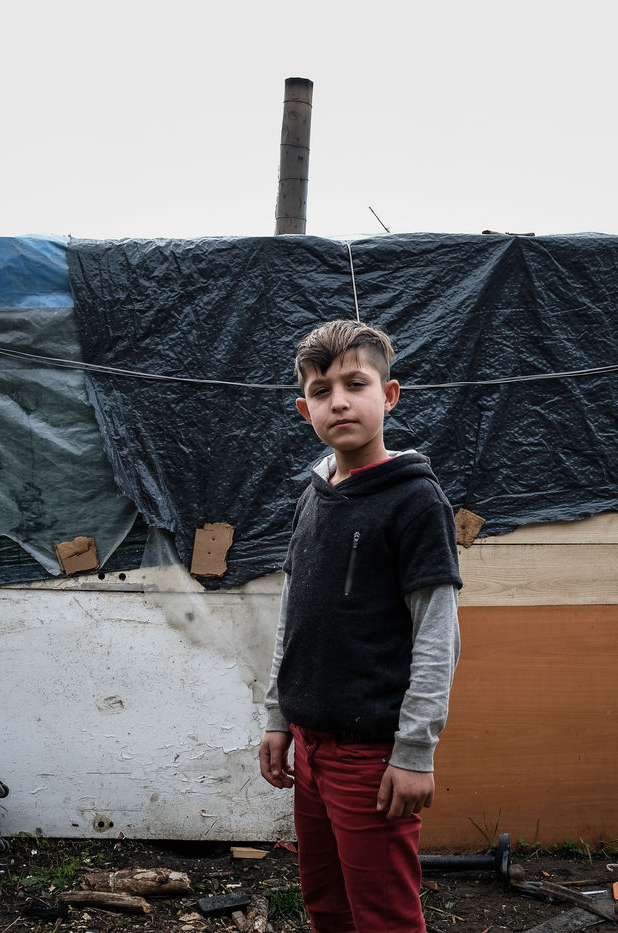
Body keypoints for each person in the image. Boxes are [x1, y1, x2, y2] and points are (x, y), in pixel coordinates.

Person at [259, 319, 462, 932]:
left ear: (389, 395)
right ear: (305, 409)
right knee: (326, 904)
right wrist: (278, 717)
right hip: (309, 745)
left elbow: (437, 635)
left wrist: (415, 752)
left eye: (356, 384)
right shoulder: (313, 496)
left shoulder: (416, 501)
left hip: (372, 757)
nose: (339, 401)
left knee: (383, 917)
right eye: (321, 391)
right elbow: (293, 614)